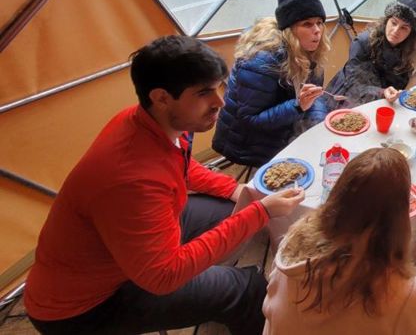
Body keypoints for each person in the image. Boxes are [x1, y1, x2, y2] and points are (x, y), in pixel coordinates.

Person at [24, 36, 305, 335]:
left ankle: (215, 295)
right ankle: (231, 297)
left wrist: (238, 191)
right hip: (85, 305)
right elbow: (163, 276)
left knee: (234, 210)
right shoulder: (132, 181)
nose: (219, 102)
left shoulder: (151, 122)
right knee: (248, 288)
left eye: (218, 87)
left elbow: (181, 165)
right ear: (161, 98)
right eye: (204, 92)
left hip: (134, 245)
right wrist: (260, 212)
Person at [262, 147, 416, 334]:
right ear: (401, 218)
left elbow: (270, 307)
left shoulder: (291, 244)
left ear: (337, 194)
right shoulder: (404, 292)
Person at [214, 0, 331, 167]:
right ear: (290, 30)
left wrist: (319, 122)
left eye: (319, 22)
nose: (317, 30)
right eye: (307, 24)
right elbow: (250, 120)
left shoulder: (310, 51)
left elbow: (313, 97)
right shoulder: (261, 61)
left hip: (283, 126)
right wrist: (297, 106)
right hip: (248, 141)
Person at [326, 0, 416, 107]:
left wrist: (393, 93)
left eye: (404, 28)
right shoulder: (363, 42)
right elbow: (353, 85)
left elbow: (401, 82)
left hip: (381, 101)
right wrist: (382, 92)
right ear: (386, 21)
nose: (396, 30)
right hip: (346, 98)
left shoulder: (408, 51)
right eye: (394, 23)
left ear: (410, 33)